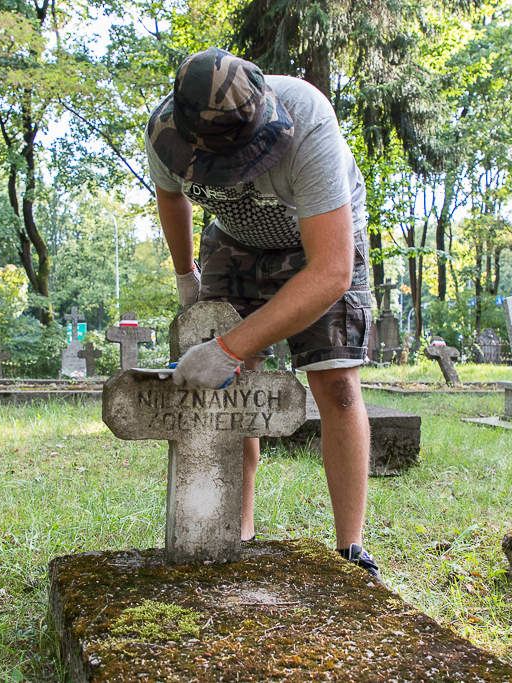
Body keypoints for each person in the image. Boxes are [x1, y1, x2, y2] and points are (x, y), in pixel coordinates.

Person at [145, 47, 379, 579]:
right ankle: (238, 529)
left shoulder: (308, 120)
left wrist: (227, 348)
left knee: (337, 385)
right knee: (233, 394)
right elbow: (171, 195)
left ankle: (350, 549)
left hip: (318, 240)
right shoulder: (166, 130)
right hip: (233, 241)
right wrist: (185, 276)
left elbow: (331, 273)